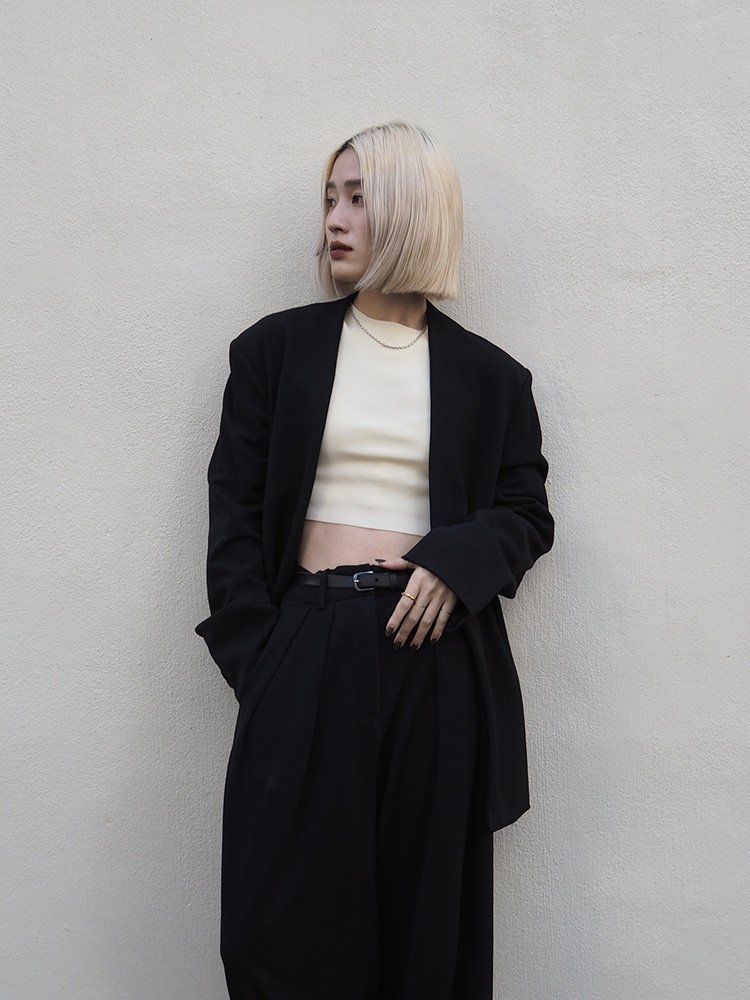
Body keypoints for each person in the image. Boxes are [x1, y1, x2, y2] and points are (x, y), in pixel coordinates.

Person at [194, 120, 554, 1000]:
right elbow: (233, 511)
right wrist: (260, 658)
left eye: (359, 198)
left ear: (413, 212)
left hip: (437, 656)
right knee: (278, 928)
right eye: (330, 199)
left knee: (426, 927)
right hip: (306, 642)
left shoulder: (492, 378)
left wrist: (456, 562)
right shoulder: (274, 351)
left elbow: (526, 514)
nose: (335, 219)